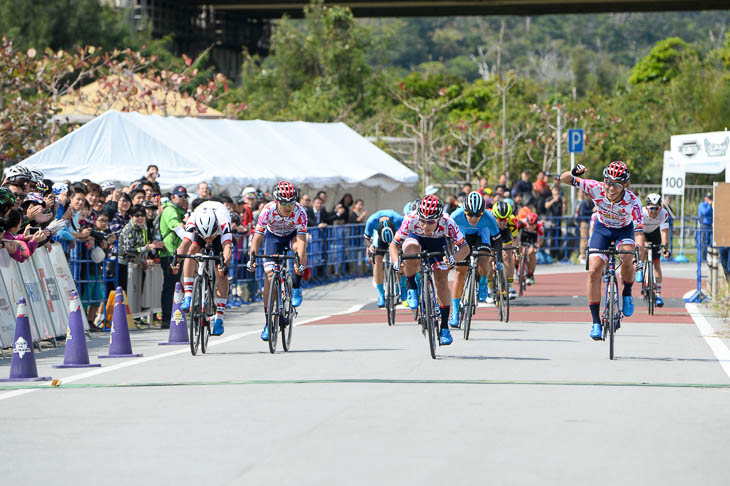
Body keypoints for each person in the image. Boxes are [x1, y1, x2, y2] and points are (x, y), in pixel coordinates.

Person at [560, 161, 644, 340]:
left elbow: (639, 234)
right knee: (593, 270)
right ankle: (595, 322)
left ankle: (627, 292)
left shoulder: (634, 201)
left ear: (625, 185)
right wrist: (574, 172)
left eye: (617, 184)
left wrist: (639, 258)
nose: (611, 188)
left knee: (626, 255)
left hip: (624, 230)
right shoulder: (595, 188)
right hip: (602, 230)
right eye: (608, 182)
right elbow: (563, 179)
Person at [389, 195, 469, 346]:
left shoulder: (448, 222)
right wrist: (395, 262)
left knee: (441, 279)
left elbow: (465, 248)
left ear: (439, 219)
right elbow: (394, 245)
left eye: (430, 221)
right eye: (422, 220)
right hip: (415, 239)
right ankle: (412, 286)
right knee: (411, 251)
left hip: (437, 243)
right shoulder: (411, 219)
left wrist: (453, 259)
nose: (425, 225)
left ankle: (444, 327)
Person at [248, 181, 308, 341]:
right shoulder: (267, 211)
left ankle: (296, 285)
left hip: (292, 236)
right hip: (273, 237)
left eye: (291, 202)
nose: (288, 207)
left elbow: (302, 241)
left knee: (298, 251)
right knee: (269, 277)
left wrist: (299, 263)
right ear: (276, 201)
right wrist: (252, 258)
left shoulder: (300, 212)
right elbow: (257, 237)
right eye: (284, 203)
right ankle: (268, 321)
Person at [176, 199, 233, 336]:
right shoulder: (193, 220)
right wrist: (175, 261)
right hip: (202, 225)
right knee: (192, 250)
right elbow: (184, 245)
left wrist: (224, 265)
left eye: (210, 236)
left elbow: (227, 248)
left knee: (221, 273)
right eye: (205, 237)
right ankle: (188, 295)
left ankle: (219, 317)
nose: (208, 240)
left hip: (219, 237)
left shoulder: (223, 222)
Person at [448, 192, 502, 327]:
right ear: (464, 211)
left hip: (481, 235)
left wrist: (497, 258)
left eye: (478, 215)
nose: (473, 218)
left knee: (484, 257)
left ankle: (483, 282)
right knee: (460, 272)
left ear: (482, 213)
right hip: (463, 236)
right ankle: (455, 312)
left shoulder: (489, 218)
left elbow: (497, 240)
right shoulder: (455, 216)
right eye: (470, 214)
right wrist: (449, 256)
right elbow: (447, 238)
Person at [158, 186, 189, 329]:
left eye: (184, 196)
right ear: (172, 197)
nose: (182, 199)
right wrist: (188, 238)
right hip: (170, 253)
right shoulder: (170, 210)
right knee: (170, 286)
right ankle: (166, 318)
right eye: (179, 196)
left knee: (174, 285)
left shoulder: (178, 211)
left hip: (177, 252)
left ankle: (171, 316)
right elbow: (175, 226)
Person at [363, 209, 405, 307]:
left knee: (400, 260)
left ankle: (402, 288)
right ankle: (381, 295)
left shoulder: (399, 219)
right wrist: (370, 247)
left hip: (396, 236)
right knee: (377, 261)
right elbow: (366, 238)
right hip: (378, 237)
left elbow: (406, 236)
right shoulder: (371, 221)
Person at [637, 194, 672, 307]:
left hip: (655, 234)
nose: (654, 211)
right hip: (642, 233)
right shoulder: (641, 213)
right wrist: (643, 244)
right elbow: (638, 233)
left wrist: (665, 247)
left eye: (657, 208)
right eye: (652, 208)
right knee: (642, 251)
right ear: (647, 208)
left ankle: (658, 294)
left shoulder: (663, 213)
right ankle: (640, 269)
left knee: (657, 264)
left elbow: (664, 232)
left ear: (660, 207)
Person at [492, 200, 520, 299]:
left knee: (508, 256)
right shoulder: (489, 219)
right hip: (492, 234)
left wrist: (516, 250)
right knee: (489, 257)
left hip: (505, 236)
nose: (503, 222)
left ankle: (510, 284)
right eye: (500, 220)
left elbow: (516, 238)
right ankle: (489, 286)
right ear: (495, 217)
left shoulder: (513, 220)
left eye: (505, 219)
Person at [518, 212, 545, 285]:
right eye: (529, 224)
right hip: (522, 235)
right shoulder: (521, 223)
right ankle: (518, 267)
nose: (530, 227)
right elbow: (515, 235)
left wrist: (537, 247)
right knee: (517, 253)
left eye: (533, 225)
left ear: (536, 224)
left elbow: (541, 240)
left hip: (533, 238)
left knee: (532, 255)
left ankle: (530, 275)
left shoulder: (540, 227)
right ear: (526, 222)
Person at [543, 186, 564, 260]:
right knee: (552, 239)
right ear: (552, 191)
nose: (556, 192)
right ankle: (552, 255)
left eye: (557, 190)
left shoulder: (560, 200)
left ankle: (558, 255)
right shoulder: (549, 199)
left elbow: (562, 209)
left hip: (558, 221)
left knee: (558, 238)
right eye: (555, 190)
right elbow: (546, 206)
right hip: (551, 221)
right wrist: (553, 200)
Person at [698, 192, 713, 261]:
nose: (709, 199)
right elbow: (705, 212)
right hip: (704, 225)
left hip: (710, 225)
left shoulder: (712, 205)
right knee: (703, 242)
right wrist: (709, 205)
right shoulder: (702, 205)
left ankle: (709, 257)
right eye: (708, 198)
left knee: (710, 242)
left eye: (710, 198)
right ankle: (702, 258)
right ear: (705, 198)